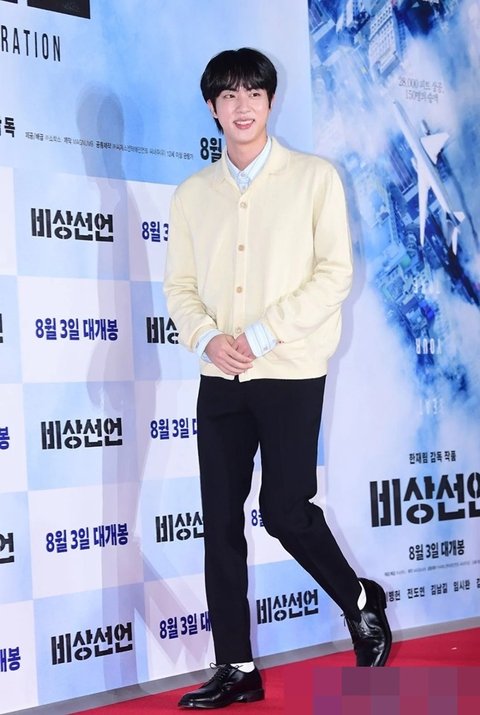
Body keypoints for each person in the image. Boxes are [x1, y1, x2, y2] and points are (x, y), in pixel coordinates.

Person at [164, 47, 391, 710]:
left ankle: (359, 599)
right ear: (213, 107)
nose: (242, 106)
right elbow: (179, 287)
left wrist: (261, 334)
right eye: (229, 95)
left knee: (285, 509)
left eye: (253, 94)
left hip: (289, 370)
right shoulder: (192, 195)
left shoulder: (314, 178)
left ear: (270, 101)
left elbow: (334, 275)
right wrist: (207, 337)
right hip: (219, 376)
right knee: (219, 520)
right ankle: (236, 666)